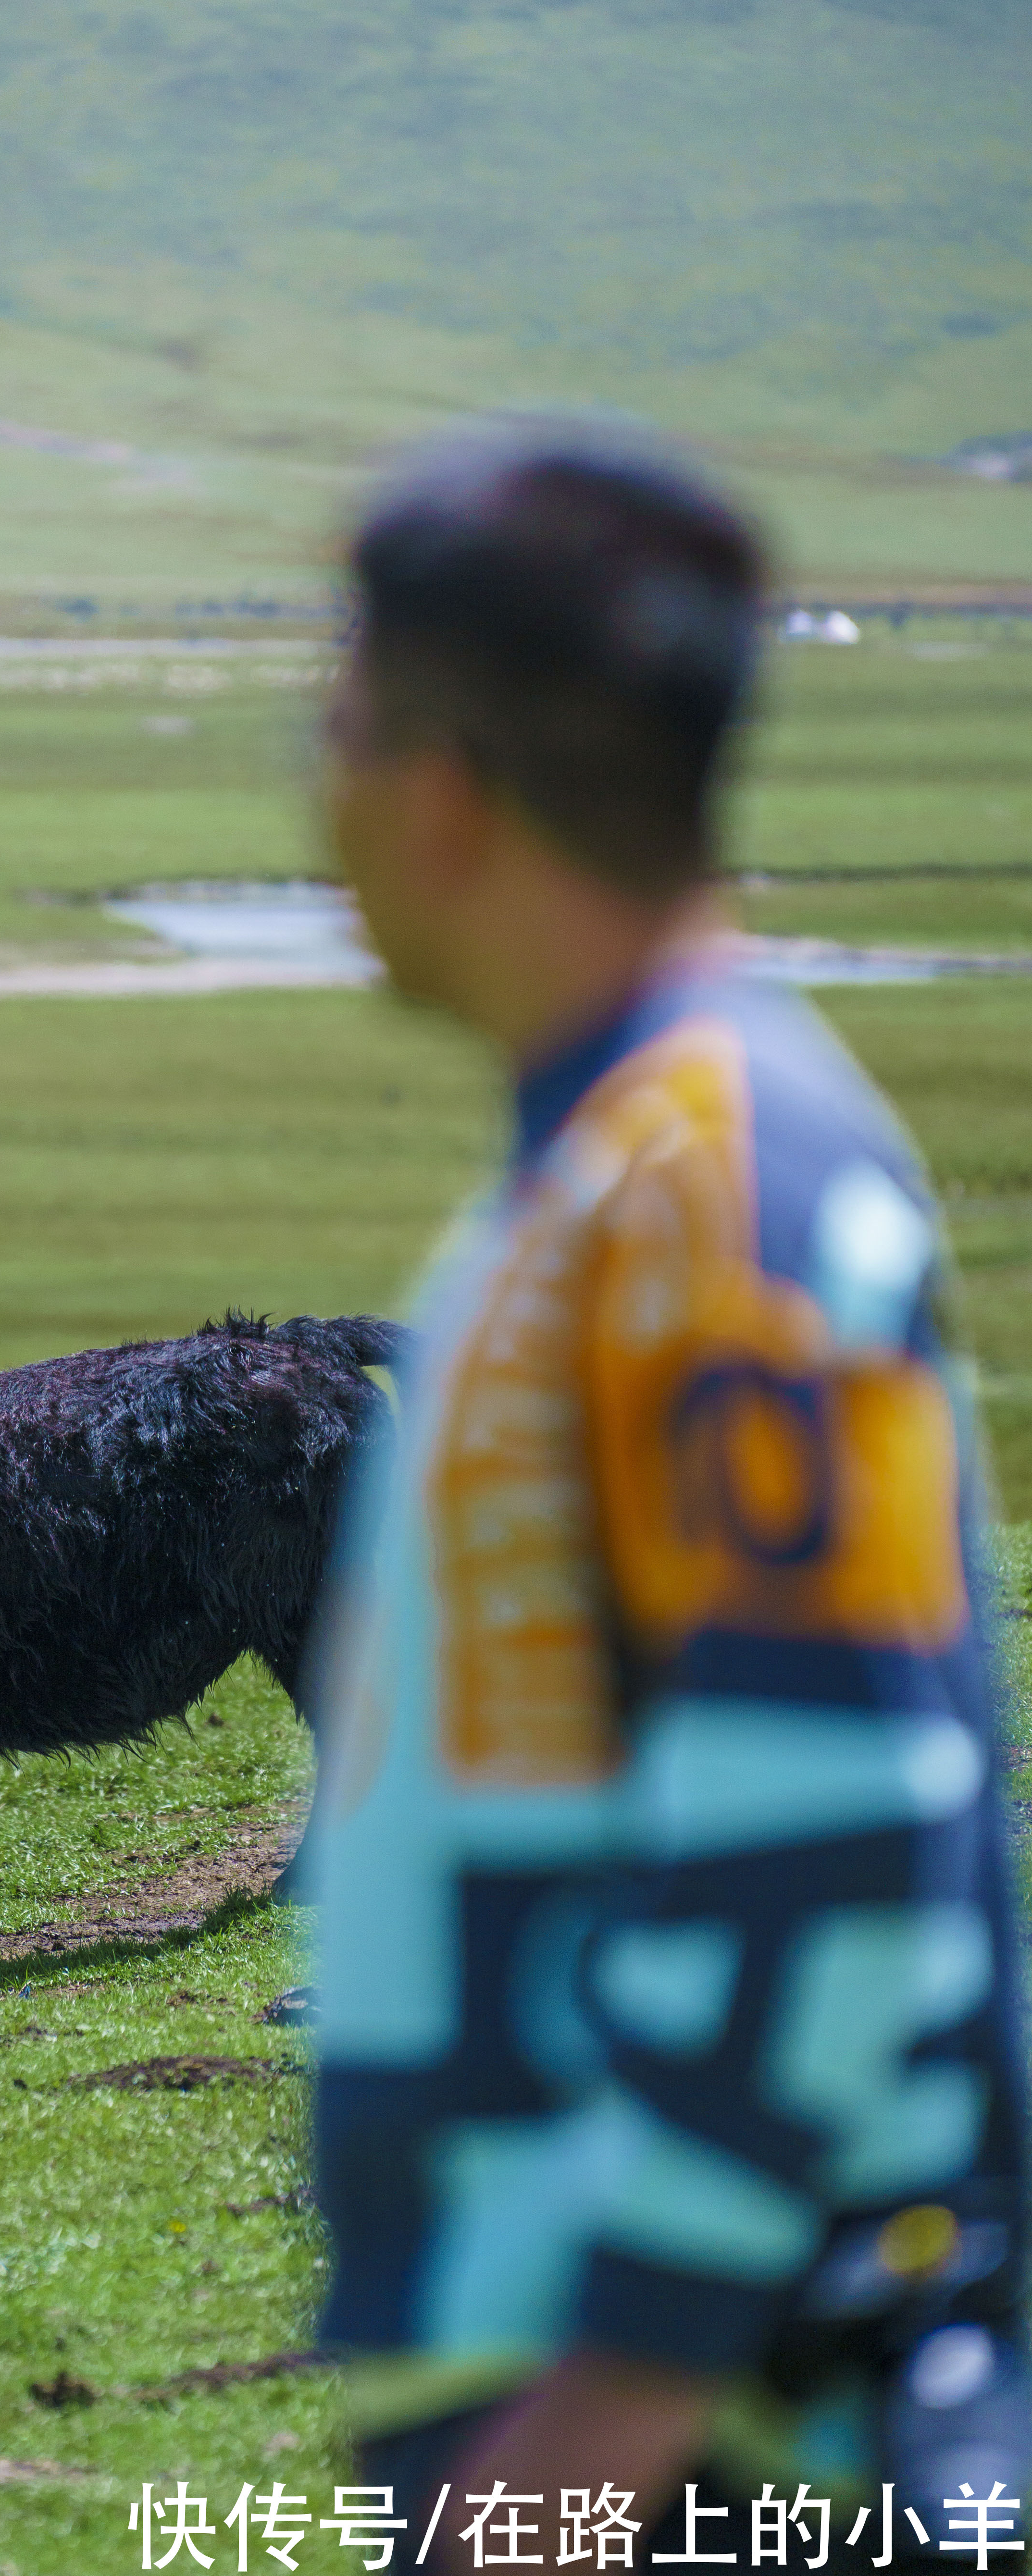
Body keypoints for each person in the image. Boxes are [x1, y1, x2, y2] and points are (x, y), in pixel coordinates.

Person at [308, 422, 1027, 2570]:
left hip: (715, 2440)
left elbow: (838, 1820)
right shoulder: (623, 1167)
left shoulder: (716, 1186)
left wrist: (609, 2395)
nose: (317, 783)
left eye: (335, 719)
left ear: (438, 785)